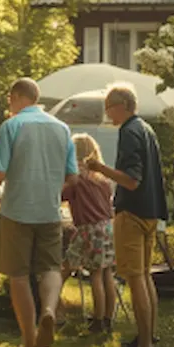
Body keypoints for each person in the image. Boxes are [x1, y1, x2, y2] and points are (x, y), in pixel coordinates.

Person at [0, 78, 78, 347]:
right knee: (49, 267)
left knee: (19, 275)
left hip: (17, 210)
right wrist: (50, 190)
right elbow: (72, 177)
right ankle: (49, 310)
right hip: (49, 211)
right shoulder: (62, 128)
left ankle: (28, 343)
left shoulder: (11, 126)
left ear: (15, 96)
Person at [87, 84, 168, 347]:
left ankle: (144, 345)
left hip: (132, 213)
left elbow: (132, 180)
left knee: (135, 278)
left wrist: (99, 169)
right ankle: (149, 334)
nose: (107, 113)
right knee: (144, 275)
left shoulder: (129, 131)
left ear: (122, 105)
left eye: (109, 107)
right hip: (150, 211)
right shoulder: (146, 129)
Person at [61, 133, 117, 334]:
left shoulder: (76, 178)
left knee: (94, 274)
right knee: (107, 273)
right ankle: (108, 318)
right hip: (107, 228)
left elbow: (61, 195)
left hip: (88, 229)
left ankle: (98, 320)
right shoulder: (101, 179)